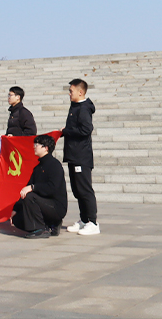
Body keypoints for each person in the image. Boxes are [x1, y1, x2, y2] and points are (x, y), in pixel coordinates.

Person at [62, 78, 99, 235]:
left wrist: (66, 131)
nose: (69, 94)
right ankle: (84, 220)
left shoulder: (83, 108)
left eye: (71, 91)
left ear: (80, 92)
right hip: (73, 155)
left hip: (81, 156)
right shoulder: (75, 107)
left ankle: (93, 222)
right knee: (77, 190)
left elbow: (86, 129)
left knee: (84, 190)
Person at [13, 134, 67, 239]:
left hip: (55, 206)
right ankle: (50, 225)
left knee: (30, 197)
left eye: (37, 145)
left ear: (46, 148)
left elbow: (52, 188)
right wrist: (15, 209)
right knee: (17, 219)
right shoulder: (38, 168)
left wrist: (34, 187)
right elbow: (27, 188)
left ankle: (40, 229)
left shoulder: (54, 165)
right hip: (41, 203)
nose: (34, 147)